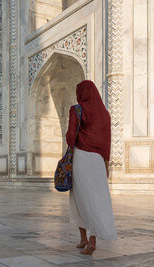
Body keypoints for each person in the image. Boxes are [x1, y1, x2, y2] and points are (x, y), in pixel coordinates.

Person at [66, 80, 117, 255]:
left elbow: (70, 138)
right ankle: (85, 240)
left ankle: (89, 241)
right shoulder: (105, 114)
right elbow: (107, 142)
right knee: (94, 199)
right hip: (98, 161)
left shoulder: (77, 109)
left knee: (80, 199)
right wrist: (106, 163)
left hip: (81, 158)